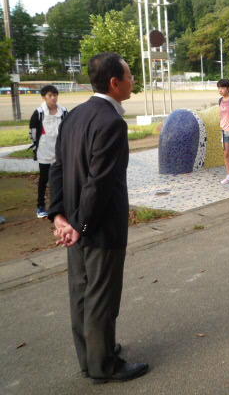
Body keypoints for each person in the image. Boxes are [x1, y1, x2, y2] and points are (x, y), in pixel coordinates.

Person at [48, 52, 148, 384]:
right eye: (130, 76)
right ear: (114, 83)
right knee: (102, 297)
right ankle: (104, 365)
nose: (133, 80)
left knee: (81, 293)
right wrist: (80, 225)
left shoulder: (74, 116)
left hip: (75, 223)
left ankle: (91, 357)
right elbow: (99, 182)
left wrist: (59, 216)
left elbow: (58, 169)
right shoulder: (112, 123)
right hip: (98, 227)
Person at [29, 84, 68, 218]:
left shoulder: (64, 111)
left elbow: (68, 129)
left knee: (62, 179)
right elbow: (33, 132)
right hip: (44, 151)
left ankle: (62, 205)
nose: (53, 98)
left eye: (55, 95)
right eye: (50, 95)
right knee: (44, 179)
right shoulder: (39, 113)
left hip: (60, 151)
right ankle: (40, 206)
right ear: (44, 97)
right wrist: (36, 146)